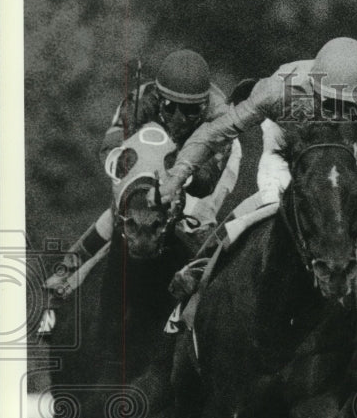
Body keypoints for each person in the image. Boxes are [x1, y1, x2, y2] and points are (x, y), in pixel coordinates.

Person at [157, 37, 357, 350]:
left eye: (346, 108)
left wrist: (333, 183)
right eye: (329, 104)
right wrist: (176, 177)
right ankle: (200, 266)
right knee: (272, 199)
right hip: (292, 137)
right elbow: (214, 133)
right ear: (314, 90)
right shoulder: (279, 91)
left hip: (350, 155)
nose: (335, 115)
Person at [43, 49, 228, 301]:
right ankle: (66, 270)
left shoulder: (222, 118)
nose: (179, 118)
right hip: (155, 153)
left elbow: (205, 184)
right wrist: (132, 182)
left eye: (190, 110)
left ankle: (206, 294)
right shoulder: (139, 101)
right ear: (158, 98)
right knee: (120, 213)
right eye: (170, 107)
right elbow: (109, 150)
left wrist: (178, 182)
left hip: (200, 158)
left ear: (205, 106)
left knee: (195, 218)